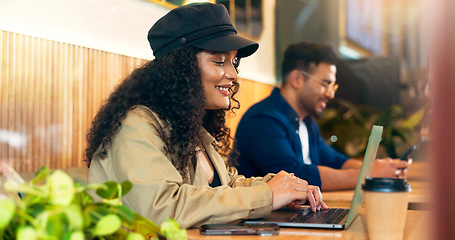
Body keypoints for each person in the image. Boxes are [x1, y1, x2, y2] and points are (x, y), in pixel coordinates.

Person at [84, 4, 326, 229]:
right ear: (182, 68)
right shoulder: (136, 125)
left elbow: (227, 185)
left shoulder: (190, 128)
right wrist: (268, 195)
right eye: (220, 61)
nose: (233, 74)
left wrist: (282, 187)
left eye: (234, 62)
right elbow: (162, 208)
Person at [233, 41, 412, 191]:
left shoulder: (308, 123)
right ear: (297, 79)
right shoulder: (263, 121)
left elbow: (335, 160)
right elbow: (296, 176)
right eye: (325, 84)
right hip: (268, 226)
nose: (331, 94)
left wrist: (381, 168)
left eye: (332, 86)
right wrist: (369, 173)